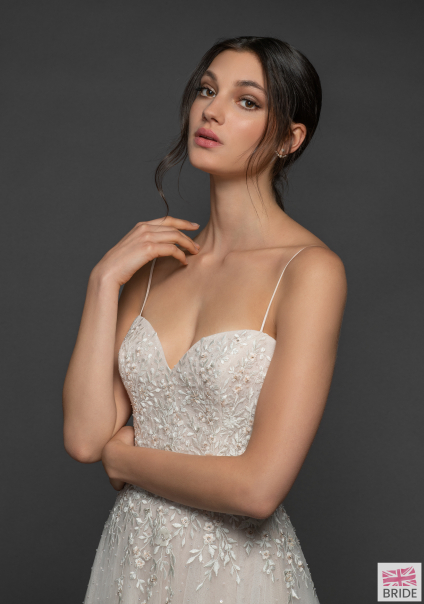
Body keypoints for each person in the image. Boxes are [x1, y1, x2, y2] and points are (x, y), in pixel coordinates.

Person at [63, 35, 347, 604]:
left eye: (247, 101)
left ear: (290, 139)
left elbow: (257, 490)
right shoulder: (153, 266)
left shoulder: (309, 271)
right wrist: (103, 282)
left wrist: (124, 458)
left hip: (235, 574)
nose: (211, 111)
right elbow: (85, 437)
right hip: (129, 564)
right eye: (206, 90)